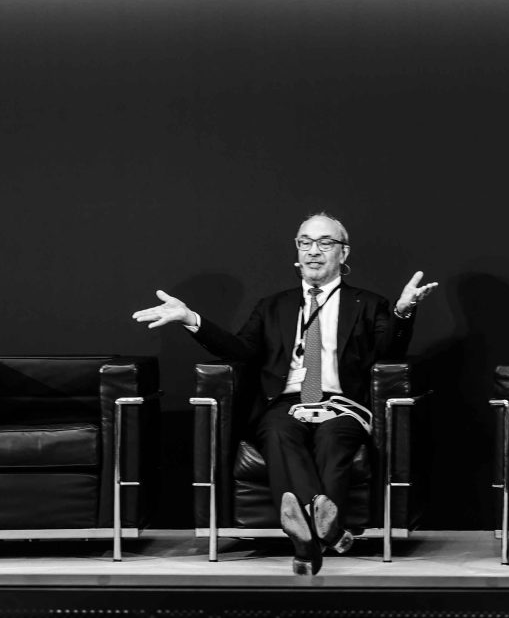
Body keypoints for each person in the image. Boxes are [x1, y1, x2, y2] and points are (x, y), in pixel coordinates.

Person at [131, 214, 439, 573]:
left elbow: (389, 354)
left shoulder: (368, 304)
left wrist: (403, 312)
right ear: (297, 251)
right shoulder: (273, 306)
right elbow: (241, 351)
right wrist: (191, 319)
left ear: (343, 253)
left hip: (342, 403)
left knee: (334, 439)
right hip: (286, 402)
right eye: (305, 242)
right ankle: (328, 529)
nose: (313, 251)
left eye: (325, 243)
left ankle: (306, 544)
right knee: (278, 432)